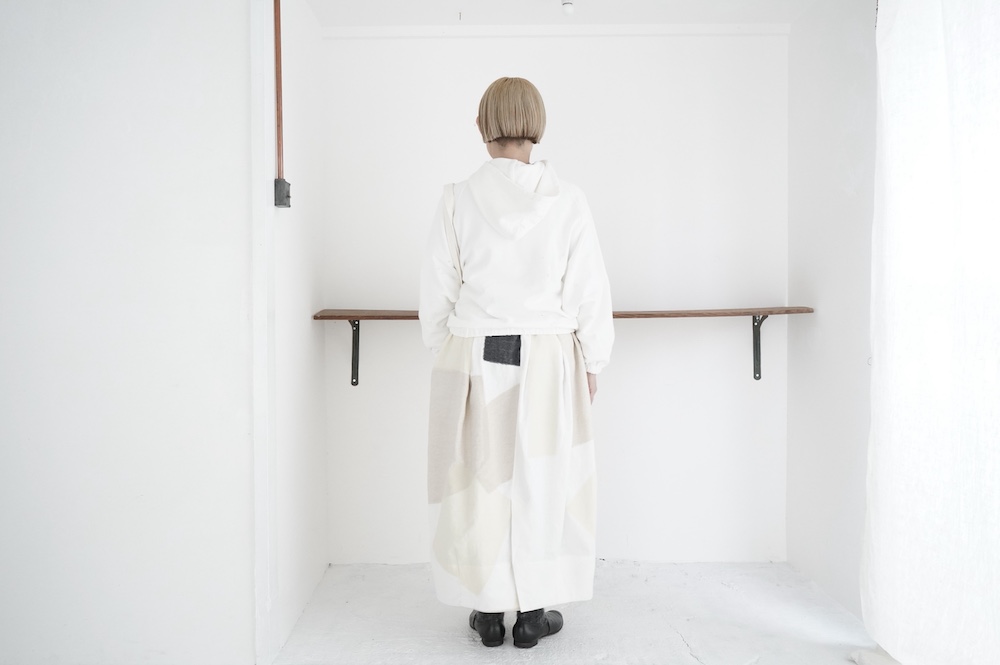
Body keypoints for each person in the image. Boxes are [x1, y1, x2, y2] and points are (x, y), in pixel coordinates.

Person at [419, 76, 614, 649]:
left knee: (476, 483)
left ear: (482, 126)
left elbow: (436, 292)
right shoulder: (568, 200)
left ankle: (487, 611)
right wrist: (593, 360)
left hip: (474, 351)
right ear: (538, 124)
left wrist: (446, 353)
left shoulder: (457, 199)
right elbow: (589, 291)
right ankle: (532, 612)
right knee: (544, 480)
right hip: (549, 356)